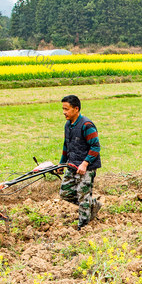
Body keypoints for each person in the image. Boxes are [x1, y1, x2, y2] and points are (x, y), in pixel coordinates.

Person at [58, 94, 102, 230]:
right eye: (63, 109)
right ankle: (91, 204)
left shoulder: (86, 125)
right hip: (72, 164)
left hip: (86, 167)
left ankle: (83, 227)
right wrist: (61, 163)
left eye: (67, 109)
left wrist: (85, 163)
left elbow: (95, 147)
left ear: (76, 109)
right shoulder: (68, 125)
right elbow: (67, 145)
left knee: (83, 198)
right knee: (64, 193)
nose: (64, 112)